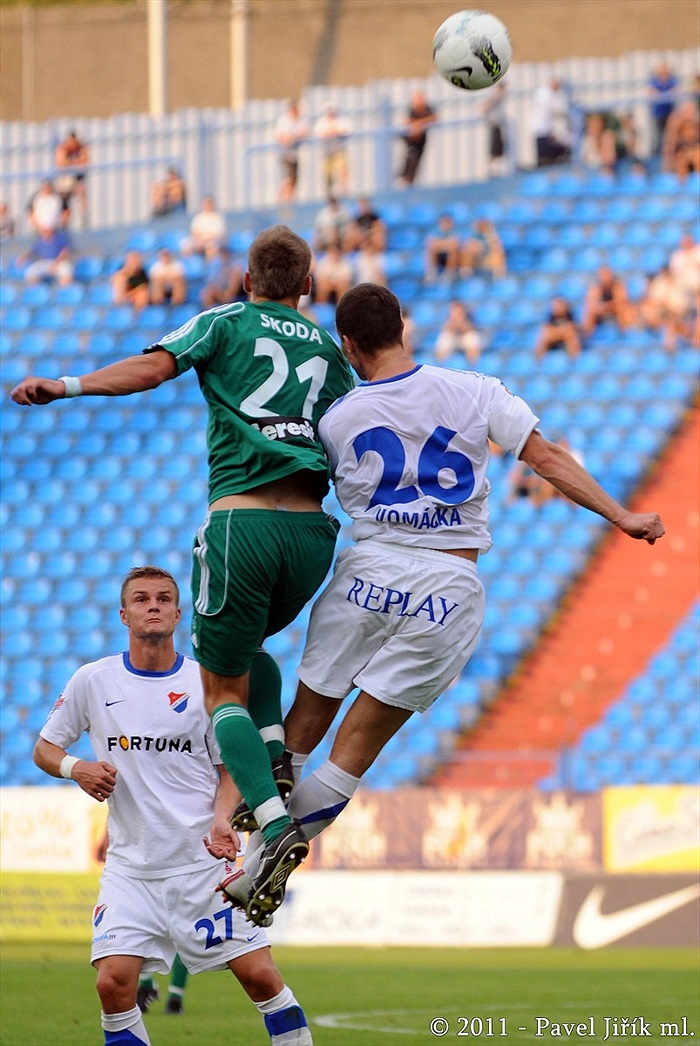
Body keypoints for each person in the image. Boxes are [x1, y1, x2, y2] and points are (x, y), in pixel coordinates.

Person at [221, 283, 664, 902]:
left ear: (347, 345)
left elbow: (291, 488)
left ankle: (251, 852)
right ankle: (260, 871)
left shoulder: (337, 418)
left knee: (300, 729)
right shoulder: (476, 390)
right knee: (355, 749)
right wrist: (621, 515)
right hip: (449, 586)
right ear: (403, 326)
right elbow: (548, 459)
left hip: (366, 575)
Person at [10, 225, 356, 928]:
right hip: (316, 536)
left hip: (244, 526)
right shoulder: (325, 346)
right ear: (307, 284)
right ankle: (274, 759)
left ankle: (271, 819)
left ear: (247, 278)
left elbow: (153, 368)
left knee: (217, 686)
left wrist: (67, 385)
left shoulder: (225, 320)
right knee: (251, 647)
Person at [33, 566, 313, 1046]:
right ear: (124, 615)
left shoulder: (205, 683)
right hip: (131, 869)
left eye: (164, 598)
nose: (154, 606)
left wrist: (224, 817)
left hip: (201, 864)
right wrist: (74, 768)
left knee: (261, 978)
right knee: (112, 984)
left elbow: (230, 768)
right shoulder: (92, 681)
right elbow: (45, 748)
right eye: (141, 599)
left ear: (179, 614)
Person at [94, 828, 190, 1016]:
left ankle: (175, 997)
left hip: (182, 862)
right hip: (136, 868)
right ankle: (149, 986)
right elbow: (122, 800)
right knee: (134, 932)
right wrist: (107, 835)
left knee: (181, 934)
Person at [397, 89, 437, 187]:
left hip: (420, 141)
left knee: (415, 160)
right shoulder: (412, 110)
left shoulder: (427, 109)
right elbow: (407, 123)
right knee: (410, 158)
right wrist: (416, 126)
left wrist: (419, 124)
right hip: (411, 140)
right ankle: (404, 179)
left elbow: (434, 118)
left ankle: (408, 180)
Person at [581, 266, 633, 338]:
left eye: (607, 275)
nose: (606, 278)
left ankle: (624, 334)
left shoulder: (618, 286)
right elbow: (592, 304)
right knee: (590, 312)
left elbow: (621, 301)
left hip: (614, 310)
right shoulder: (595, 288)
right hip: (601, 311)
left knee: (622, 309)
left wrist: (606, 306)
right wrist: (603, 307)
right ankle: (587, 336)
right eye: (603, 276)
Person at [530, 78, 572, 167]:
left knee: (544, 151)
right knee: (545, 152)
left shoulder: (542, 92)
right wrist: (567, 116)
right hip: (542, 127)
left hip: (543, 127)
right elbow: (554, 110)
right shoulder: (547, 94)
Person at [275, 100, 310, 203]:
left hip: (295, 155)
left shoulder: (301, 120)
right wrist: (293, 138)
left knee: (294, 180)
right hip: (286, 154)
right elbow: (283, 138)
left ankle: (288, 199)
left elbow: (304, 132)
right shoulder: (284, 120)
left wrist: (293, 137)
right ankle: (283, 199)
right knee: (288, 178)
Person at [313, 104, 352, 196]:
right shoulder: (321, 122)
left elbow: (346, 130)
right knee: (327, 174)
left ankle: (344, 191)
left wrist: (332, 131)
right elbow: (318, 133)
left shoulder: (341, 120)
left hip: (339, 150)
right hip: (327, 152)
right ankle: (329, 193)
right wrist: (332, 132)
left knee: (342, 169)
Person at [54, 129, 90, 227]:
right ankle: (63, 224)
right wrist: (75, 162)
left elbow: (85, 161)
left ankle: (84, 220)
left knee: (82, 192)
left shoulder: (81, 147)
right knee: (64, 202)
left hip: (77, 177)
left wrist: (70, 163)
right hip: (66, 178)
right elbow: (61, 164)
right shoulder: (63, 148)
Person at [662, 99, 700, 181]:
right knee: (681, 162)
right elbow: (671, 144)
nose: (691, 113)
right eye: (688, 111)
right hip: (682, 152)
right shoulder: (676, 123)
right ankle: (681, 187)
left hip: (695, 150)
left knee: (698, 156)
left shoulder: (696, 124)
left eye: (692, 110)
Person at [434, 299, 482, 364]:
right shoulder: (447, 316)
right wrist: (454, 323)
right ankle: (440, 363)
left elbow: (472, 329)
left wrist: (460, 323)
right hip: (453, 337)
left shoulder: (470, 316)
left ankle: (473, 364)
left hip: (465, 337)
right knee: (445, 338)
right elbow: (446, 329)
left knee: (471, 338)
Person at [648, 61, 679, 155]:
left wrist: (662, 93)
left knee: (670, 136)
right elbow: (652, 92)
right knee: (657, 136)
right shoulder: (654, 80)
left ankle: (669, 154)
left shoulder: (672, 79)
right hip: (657, 113)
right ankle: (656, 154)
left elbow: (676, 90)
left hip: (669, 113)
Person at [199, 245, 244, 310]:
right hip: (220, 300)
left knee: (208, 293)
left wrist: (215, 293)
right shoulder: (220, 269)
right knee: (206, 292)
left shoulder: (235, 270)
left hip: (233, 302)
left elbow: (229, 297)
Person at [480, 82, 508, 177]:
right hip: (494, 126)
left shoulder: (499, 99)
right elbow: (483, 107)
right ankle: (490, 169)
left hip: (498, 126)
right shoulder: (494, 98)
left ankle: (495, 168)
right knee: (494, 149)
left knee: (498, 149)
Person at [424, 212, 461, 283]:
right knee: (431, 250)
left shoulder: (456, 232)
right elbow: (431, 244)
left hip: (452, 258)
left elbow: (455, 244)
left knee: (453, 250)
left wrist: (440, 244)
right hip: (439, 256)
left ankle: (449, 273)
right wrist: (445, 244)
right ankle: (432, 273)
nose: (445, 224)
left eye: (448, 222)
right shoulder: (434, 232)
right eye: (444, 222)